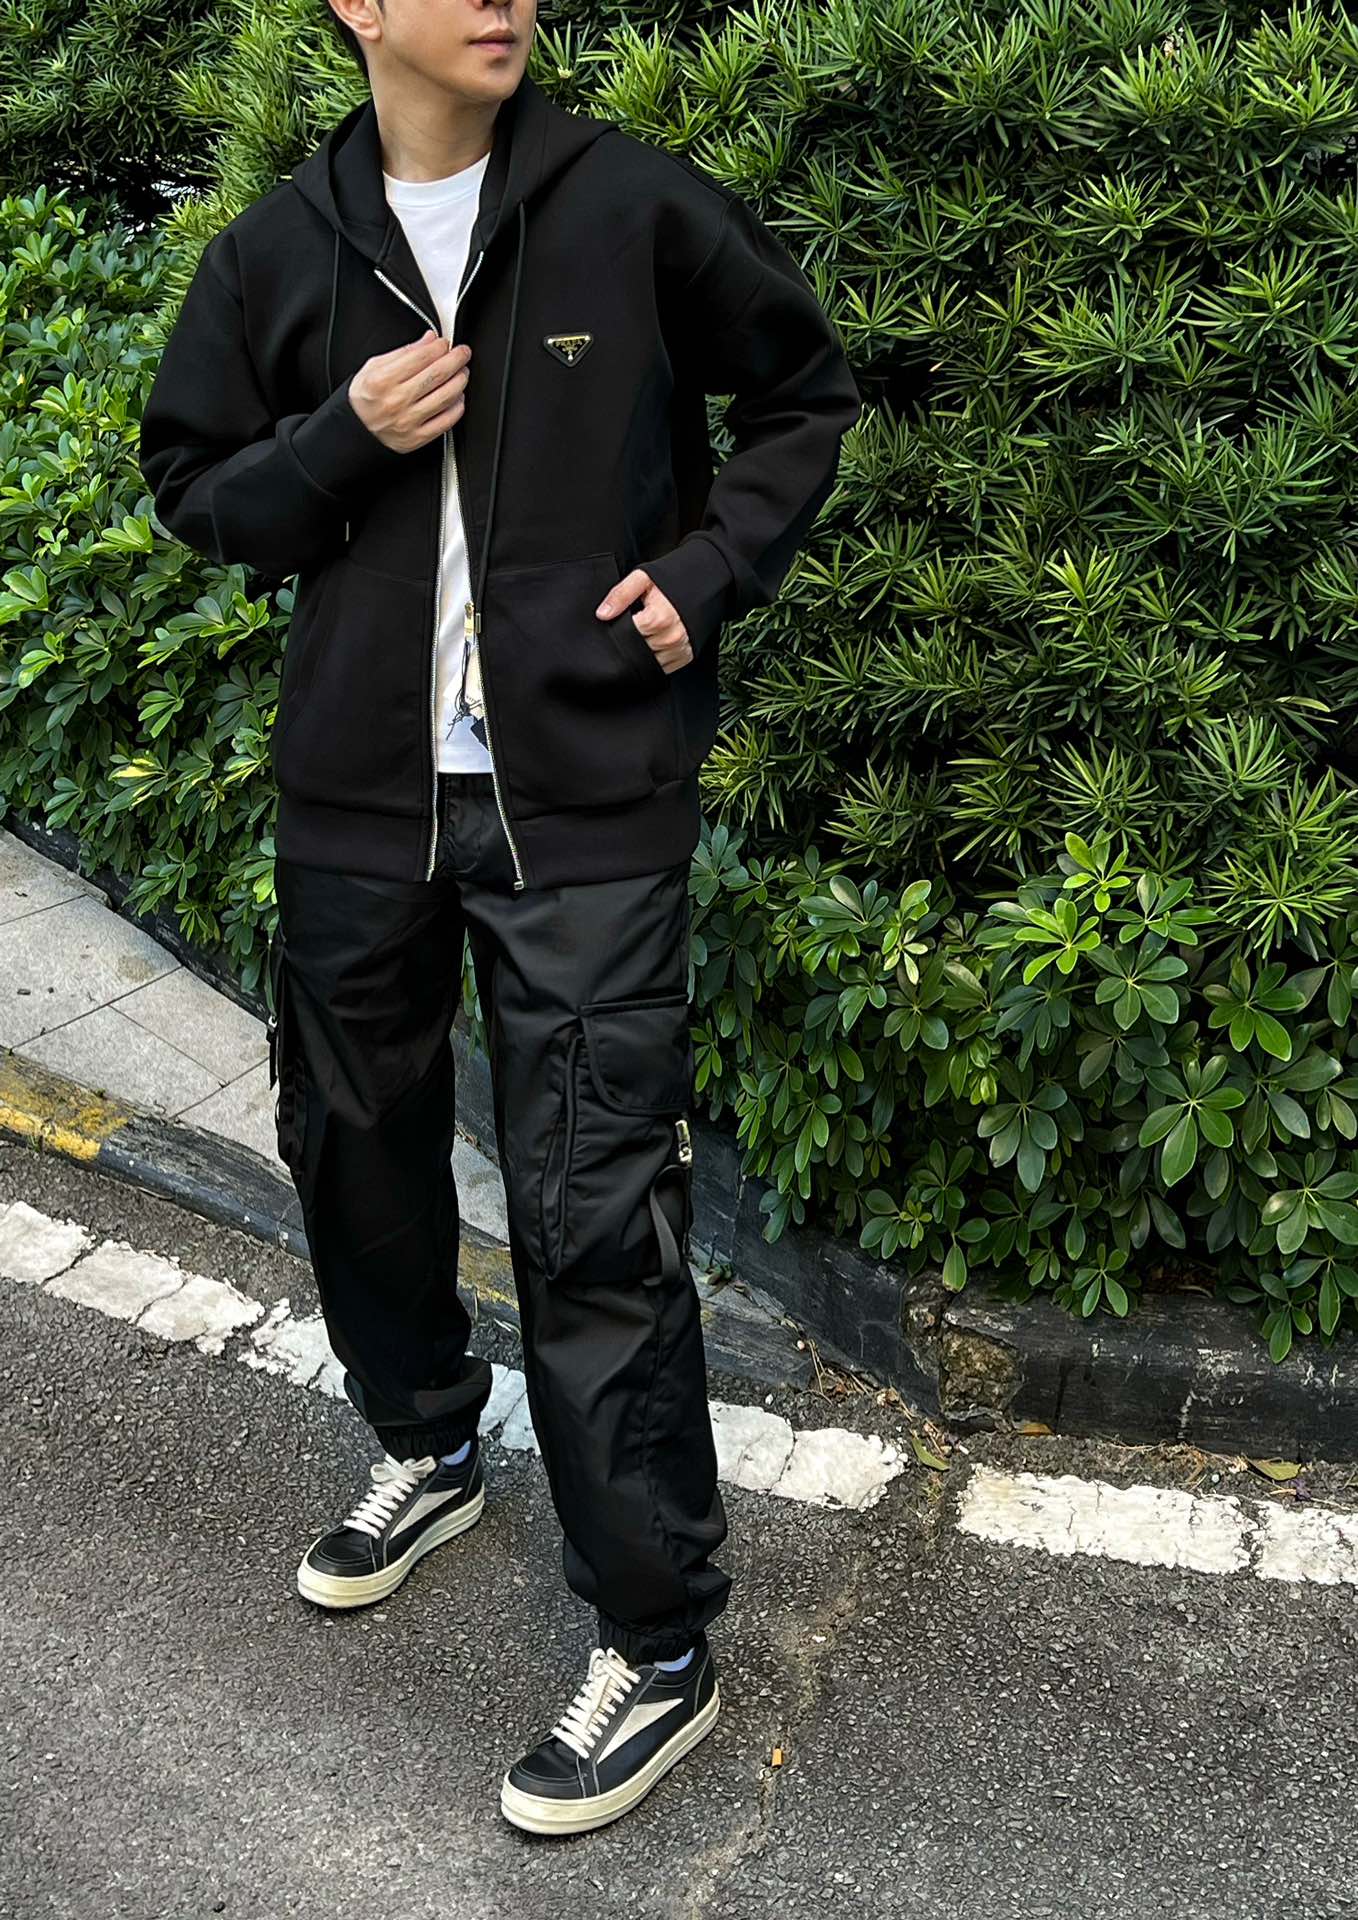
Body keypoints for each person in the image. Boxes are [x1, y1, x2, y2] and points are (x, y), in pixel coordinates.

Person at [137, 0, 860, 1836]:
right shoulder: (282, 249)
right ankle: (428, 1439)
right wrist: (341, 437)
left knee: (592, 1199)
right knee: (351, 1136)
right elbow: (197, 491)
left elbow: (802, 393)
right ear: (356, 8)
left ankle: (656, 1641)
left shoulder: (628, 206)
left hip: (587, 796)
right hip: (360, 795)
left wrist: (710, 570)